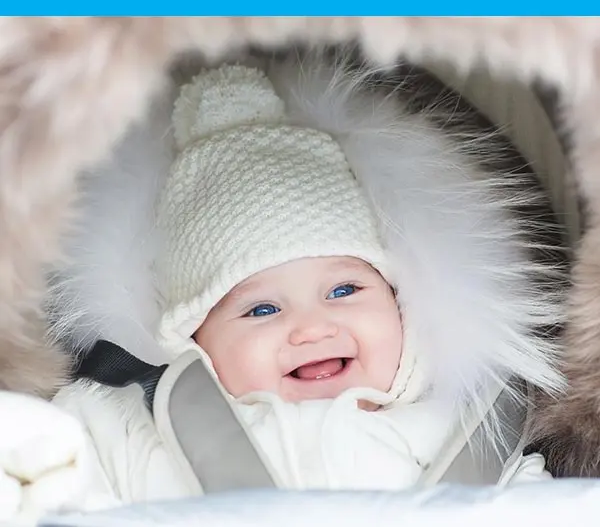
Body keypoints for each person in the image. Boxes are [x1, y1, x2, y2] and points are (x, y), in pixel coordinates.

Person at [0, 53, 564, 523]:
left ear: (402, 307)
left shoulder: (469, 428)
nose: (312, 326)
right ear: (192, 340)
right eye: (261, 309)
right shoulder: (126, 426)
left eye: (344, 290)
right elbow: (54, 476)